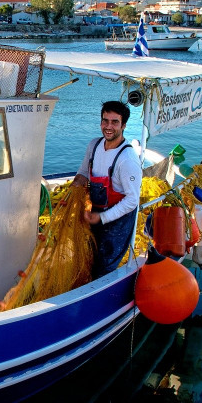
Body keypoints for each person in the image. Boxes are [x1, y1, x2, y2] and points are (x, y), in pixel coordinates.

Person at [71, 101, 142, 278]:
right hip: (95, 213)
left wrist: (103, 218)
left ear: (123, 125)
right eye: (105, 121)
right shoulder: (94, 145)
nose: (108, 127)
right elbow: (82, 173)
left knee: (105, 265)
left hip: (117, 221)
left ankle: (101, 292)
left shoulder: (127, 159)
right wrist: (75, 187)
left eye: (114, 122)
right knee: (88, 257)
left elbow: (132, 200)